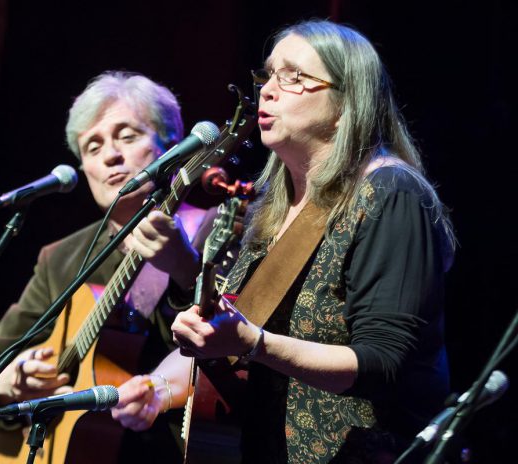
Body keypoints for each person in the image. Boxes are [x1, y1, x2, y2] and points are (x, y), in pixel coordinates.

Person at [111, 20, 455, 463]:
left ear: (346, 99)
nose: (268, 90)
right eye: (269, 75)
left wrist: (254, 343)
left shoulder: (389, 193)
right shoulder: (272, 209)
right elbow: (236, 325)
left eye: (293, 76)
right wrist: (164, 378)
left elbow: (385, 362)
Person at [0, 71, 216, 463]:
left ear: (172, 146)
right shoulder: (61, 258)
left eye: (127, 136)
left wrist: (185, 269)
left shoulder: (214, 229)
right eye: (93, 147)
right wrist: (11, 382)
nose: (110, 155)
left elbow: (235, 346)